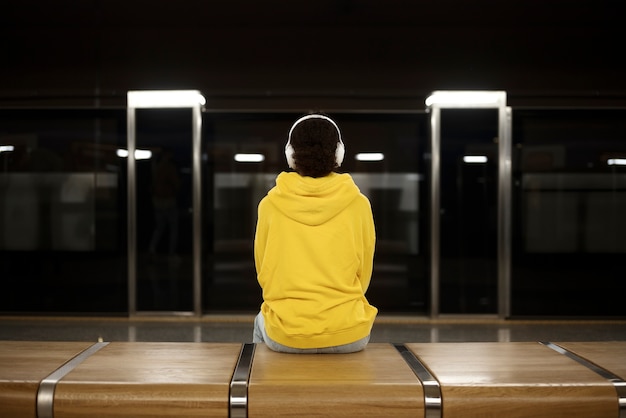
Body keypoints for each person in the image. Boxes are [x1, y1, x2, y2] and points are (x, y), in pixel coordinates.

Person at [252, 113, 378, 353]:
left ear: (290, 154)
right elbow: (364, 270)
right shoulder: (358, 203)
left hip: (286, 334)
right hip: (349, 333)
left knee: (261, 320)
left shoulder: (269, 205)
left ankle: (262, 388)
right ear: (339, 154)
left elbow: (263, 269)